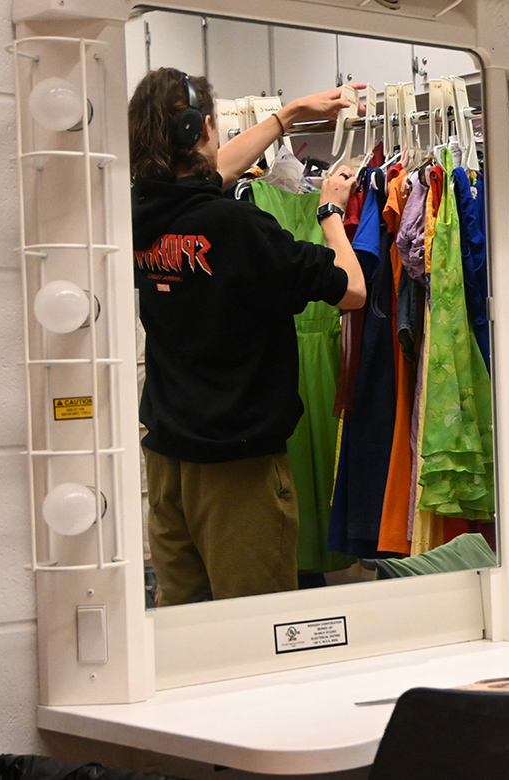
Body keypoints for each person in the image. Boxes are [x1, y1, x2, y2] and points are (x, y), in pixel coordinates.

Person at [128, 67, 366, 606]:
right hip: (236, 472)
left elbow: (211, 171)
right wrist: (330, 214)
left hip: (168, 464)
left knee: (184, 632)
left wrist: (286, 118)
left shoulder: (139, 210)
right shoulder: (238, 227)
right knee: (255, 630)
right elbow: (351, 291)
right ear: (203, 128)